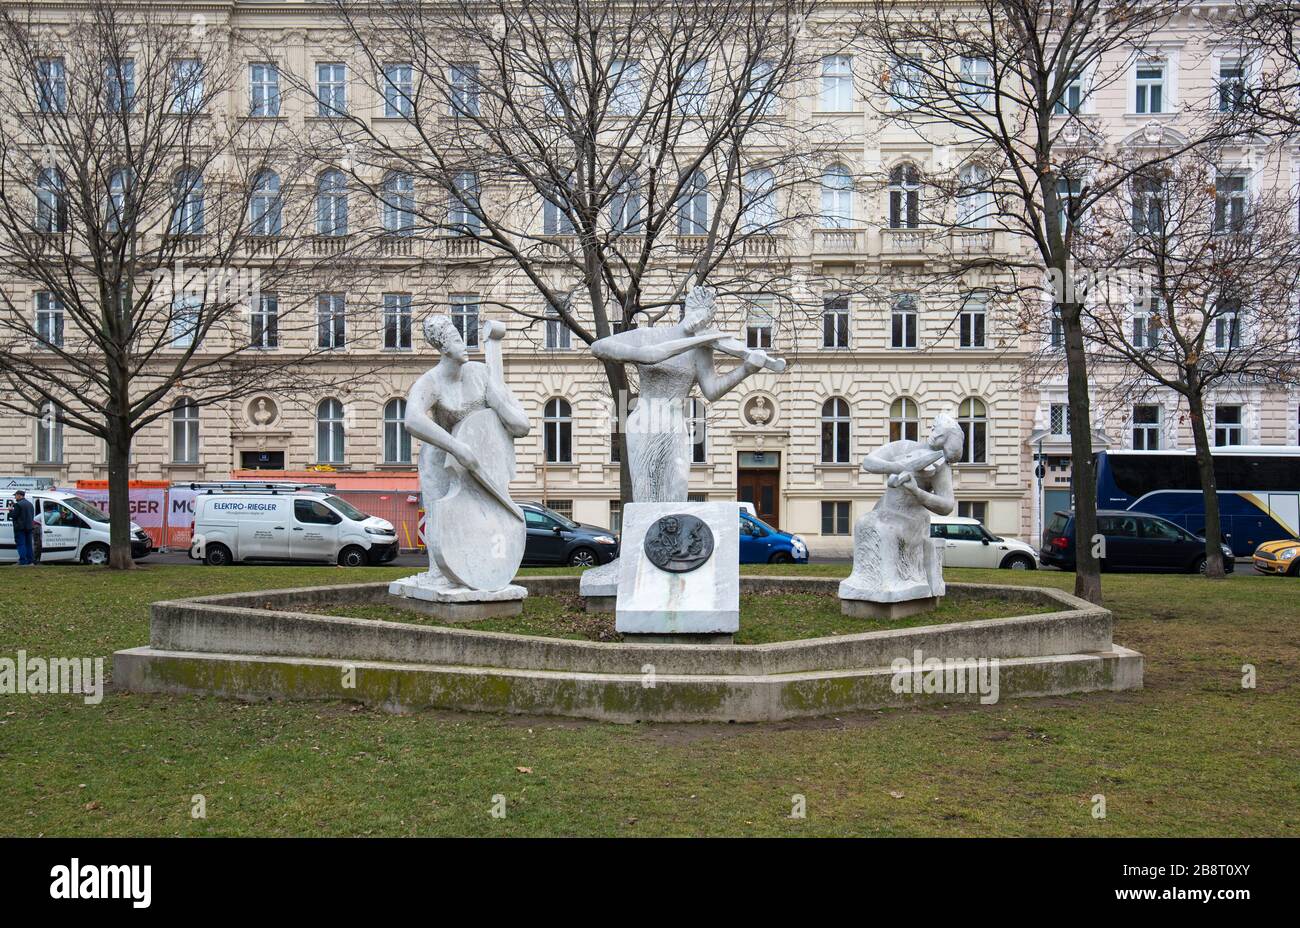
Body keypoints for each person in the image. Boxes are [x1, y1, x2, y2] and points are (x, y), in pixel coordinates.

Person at [840, 415, 965, 603]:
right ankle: (864, 581)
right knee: (862, 524)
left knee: (885, 530)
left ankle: (890, 584)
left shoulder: (941, 466)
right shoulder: (905, 447)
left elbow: (947, 505)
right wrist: (897, 466)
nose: (933, 437)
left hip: (912, 517)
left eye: (941, 438)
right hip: (885, 509)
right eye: (934, 430)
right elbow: (869, 462)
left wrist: (917, 492)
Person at [10, 490, 36, 567]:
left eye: (15, 495)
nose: (15, 497)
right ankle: (30, 561)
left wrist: (10, 510)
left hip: (20, 528)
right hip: (29, 527)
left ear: (19, 495)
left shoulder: (18, 505)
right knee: (28, 545)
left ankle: (22, 561)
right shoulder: (30, 504)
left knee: (21, 544)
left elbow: (13, 516)